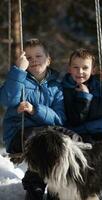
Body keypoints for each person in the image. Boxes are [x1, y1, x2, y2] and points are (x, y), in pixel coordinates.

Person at [0, 38, 66, 200]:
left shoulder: (56, 87)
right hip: (20, 134)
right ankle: (35, 187)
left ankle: (54, 188)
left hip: (49, 135)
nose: (34, 60)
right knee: (42, 142)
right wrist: (18, 71)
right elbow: (7, 100)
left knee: (60, 143)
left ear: (48, 60)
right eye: (28, 58)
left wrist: (35, 110)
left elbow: (60, 118)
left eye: (38, 56)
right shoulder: (18, 78)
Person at [62, 48, 102, 200]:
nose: (80, 72)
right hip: (78, 132)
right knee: (92, 153)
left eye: (85, 68)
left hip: (98, 130)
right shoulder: (66, 88)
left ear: (93, 69)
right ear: (69, 68)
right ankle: (90, 187)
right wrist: (83, 96)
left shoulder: (98, 85)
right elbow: (76, 117)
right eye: (76, 67)